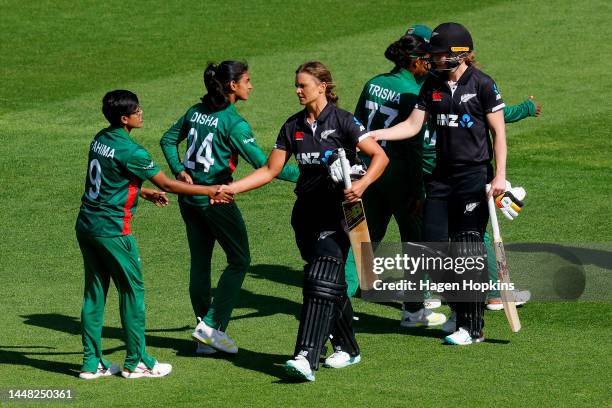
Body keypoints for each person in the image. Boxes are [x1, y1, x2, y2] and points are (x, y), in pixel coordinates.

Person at [347, 25, 541, 328]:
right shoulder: (431, 86)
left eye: (438, 55)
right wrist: (373, 134)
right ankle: (453, 299)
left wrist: (500, 176)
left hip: (472, 177)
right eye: (431, 56)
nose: (433, 61)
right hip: (438, 178)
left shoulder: (483, 85)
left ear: (459, 54)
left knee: (467, 244)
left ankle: (464, 314)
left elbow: (498, 132)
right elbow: (412, 126)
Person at [217, 61, 388, 380]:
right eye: (296, 85)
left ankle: (306, 355)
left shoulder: (343, 121)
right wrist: (232, 188)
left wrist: (362, 184)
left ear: (322, 87)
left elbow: (380, 156)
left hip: (338, 212)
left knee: (318, 280)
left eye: (302, 85)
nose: (297, 90)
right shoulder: (292, 126)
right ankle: (349, 349)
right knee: (329, 282)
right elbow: (270, 170)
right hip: (305, 214)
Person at [76, 90, 233, 379]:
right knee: (132, 293)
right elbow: (170, 185)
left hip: (87, 225)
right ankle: (137, 361)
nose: (141, 113)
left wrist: (142, 192)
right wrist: (210, 189)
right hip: (113, 231)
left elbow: (108, 179)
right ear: (125, 118)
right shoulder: (133, 152)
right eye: (137, 110)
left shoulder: (100, 138)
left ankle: (90, 363)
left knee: (94, 293)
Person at [160, 61, 299, 355]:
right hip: (217, 200)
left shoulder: (194, 112)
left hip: (189, 198)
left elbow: (168, 139)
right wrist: (309, 174)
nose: (251, 86)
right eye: (247, 80)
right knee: (239, 260)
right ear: (233, 86)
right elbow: (266, 166)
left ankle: (205, 336)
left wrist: (178, 169)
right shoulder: (234, 123)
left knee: (200, 263)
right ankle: (210, 327)